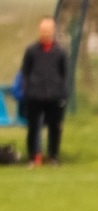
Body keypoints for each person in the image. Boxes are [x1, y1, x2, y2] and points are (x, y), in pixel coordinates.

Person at [20, 17, 68, 167]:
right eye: (43, 30)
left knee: (55, 127)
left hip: (54, 96)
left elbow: (64, 74)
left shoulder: (60, 52)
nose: (46, 33)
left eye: (48, 30)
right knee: (33, 128)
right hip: (34, 96)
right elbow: (25, 72)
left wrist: (61, 92)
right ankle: (33, 158)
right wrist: (28, 90)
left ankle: (53, 156)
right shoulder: (31, 51)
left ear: (53, 31)